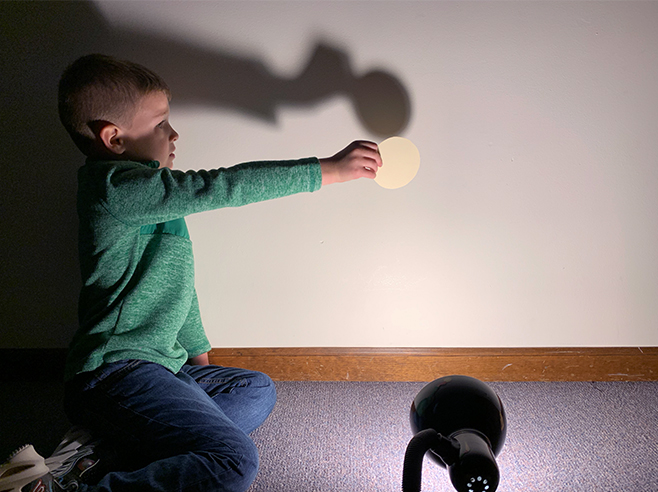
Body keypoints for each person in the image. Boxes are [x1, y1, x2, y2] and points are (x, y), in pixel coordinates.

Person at [0, 54, 382, 492]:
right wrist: (327, 170)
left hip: (161, 368)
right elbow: (223, 185)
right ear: (114, 138)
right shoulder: (117, 190)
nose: (173, 133)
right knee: (233, 460)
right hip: (113, 373)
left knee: (255, 389)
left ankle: (94, 452)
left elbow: (179, 289)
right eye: (161, 122)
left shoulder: (156, 198)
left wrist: (197, 360)